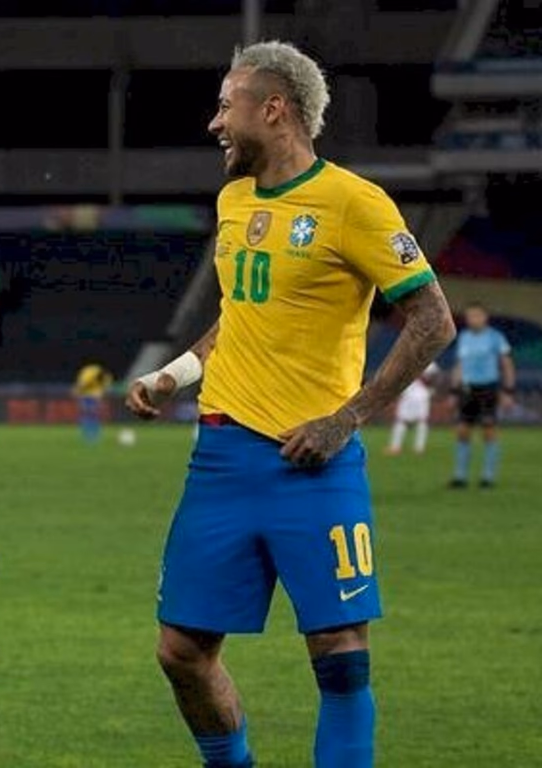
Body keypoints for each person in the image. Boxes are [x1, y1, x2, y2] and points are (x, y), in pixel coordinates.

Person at [126, 41, 455, 768]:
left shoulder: (353, 203)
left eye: (225, 105)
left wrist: (346, 419)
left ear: (273, 109)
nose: (215, 123)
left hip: (313, 462)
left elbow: (434, 319)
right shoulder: (234, 198)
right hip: (220, 460)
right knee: (181, 650)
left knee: (338, 653)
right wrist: (175, 376)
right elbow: (240, 314)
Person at [448, 302, 516, 488]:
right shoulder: (464, 337)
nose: (473, 319)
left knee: (488, 431)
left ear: (485, 317)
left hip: (488, 389)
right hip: (467, 390)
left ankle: (488, 476)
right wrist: (453, 391)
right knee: (462, 432)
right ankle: (460, 476)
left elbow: (506, 364)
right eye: (470, 316)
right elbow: (459, 365)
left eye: (477, 316)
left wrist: (508, 390)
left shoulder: (495, 337)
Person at [385, 361, 439, 455]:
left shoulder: (414, 359)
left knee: (403, 421)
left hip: (412, 393)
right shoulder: (429, 361)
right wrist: (431, 389)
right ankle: (419, 448)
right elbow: (436, 376)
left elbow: (434, 377)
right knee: (421, 421)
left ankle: (396, 447)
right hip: (417, 393)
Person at [72, 362, 113, 442]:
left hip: (95, 397)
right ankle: (87, 435)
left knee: (94, 415)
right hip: (85, 396)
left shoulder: (106, 376)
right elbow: (81, 385)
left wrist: (100, 395)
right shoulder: (89, 373)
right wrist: (76, 392)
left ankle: (94, 436)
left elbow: (106, 387)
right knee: (87, 414)